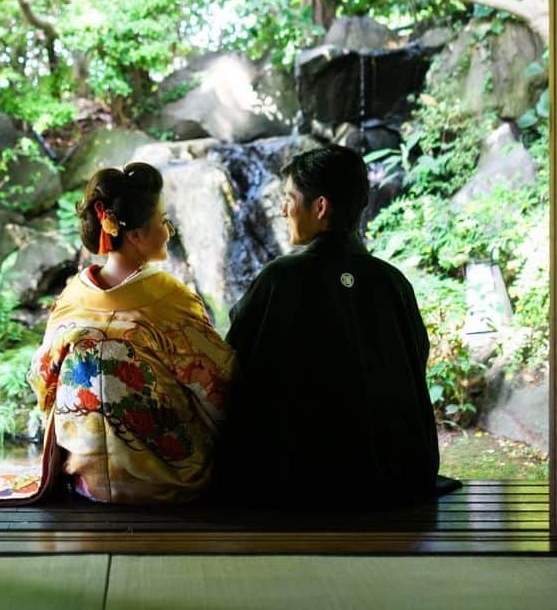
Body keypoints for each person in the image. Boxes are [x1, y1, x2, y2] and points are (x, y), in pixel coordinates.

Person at [220, 145, 440, 507]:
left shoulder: (280, 279)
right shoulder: (393, 282)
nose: (282, 209)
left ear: (320, 207)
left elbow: (232, 361)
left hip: (298, 480)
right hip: (396, 475)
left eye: (289, 198)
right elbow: (416, 360)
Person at [29, 161, 234, 504]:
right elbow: (220, 389)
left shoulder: (72, 298)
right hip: (166, 482)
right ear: (136, 234)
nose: (169, 230)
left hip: (85, 484)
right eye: (163, 221)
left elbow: (42, 383)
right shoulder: (170, 299)